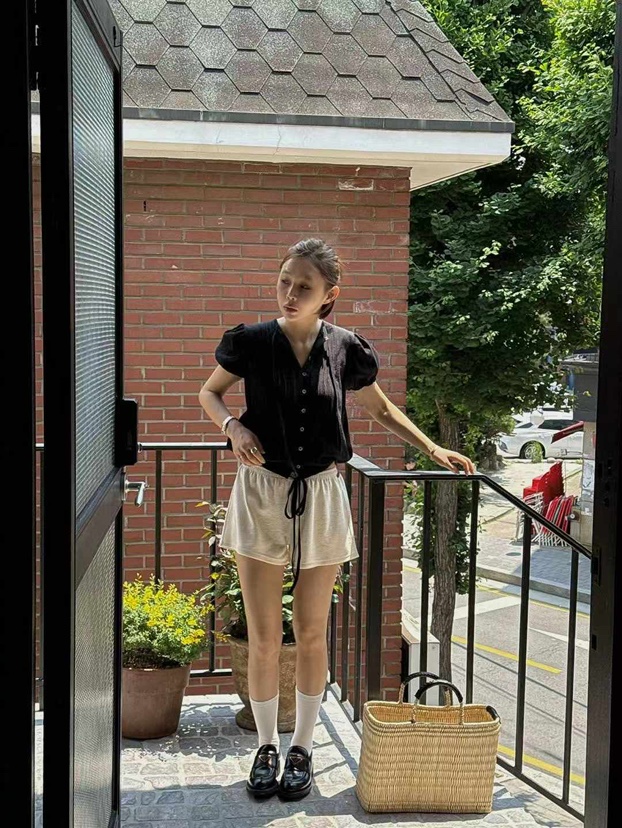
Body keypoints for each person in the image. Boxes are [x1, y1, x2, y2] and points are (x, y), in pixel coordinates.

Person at [198, 238, 475, 802]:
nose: (290, 292)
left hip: (322, 494)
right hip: (261, 491)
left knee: (311, 631)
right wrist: (234, 427)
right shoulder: (250, 342)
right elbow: (210, 393)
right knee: (264, 635)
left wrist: (432, 449)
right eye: (285, 280)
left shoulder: (347, 348)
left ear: (329, 295)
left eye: (304, 285)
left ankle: (302, 748)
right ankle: (266, 747)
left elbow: (381, 409)